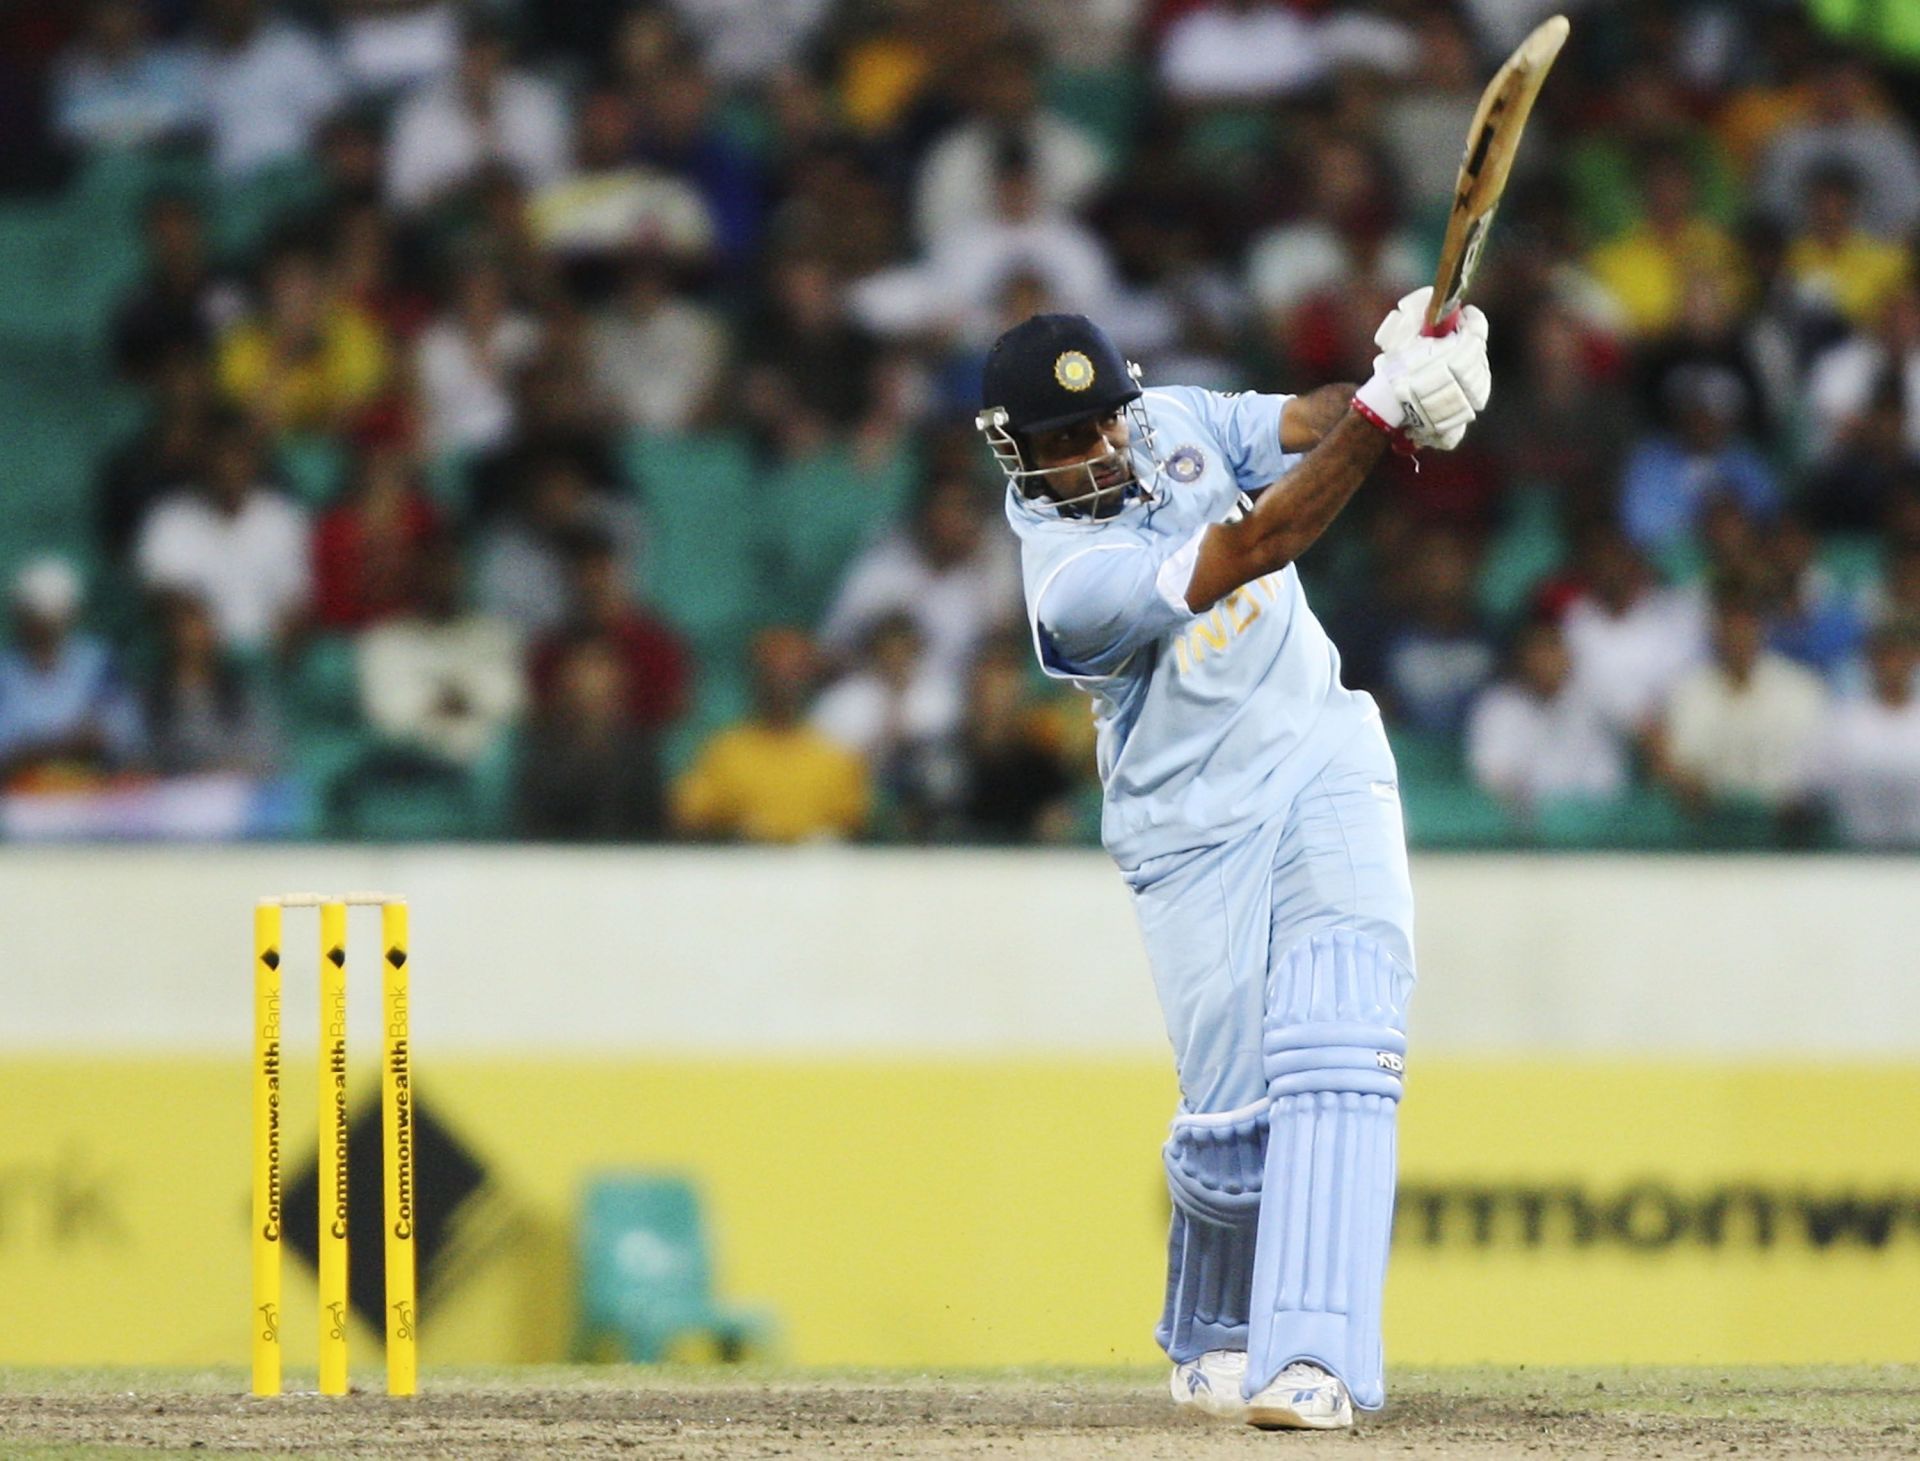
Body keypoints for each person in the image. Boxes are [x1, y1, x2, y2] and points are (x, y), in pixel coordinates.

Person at [974, 296, 1489, 1427]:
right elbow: (1260, 543)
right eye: (1064, 444)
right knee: (1238, 1140)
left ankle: (1318, 1365)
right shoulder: (1070, 586)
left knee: (1344, 1037)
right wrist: (1380, 412)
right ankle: (1212, 1332)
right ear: (1019, 455)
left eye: (1103, 421)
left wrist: (1404, 374)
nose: (1098, 450)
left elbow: (1300, 425)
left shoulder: (1171, 418)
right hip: (1189, 827)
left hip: (1320, 752)